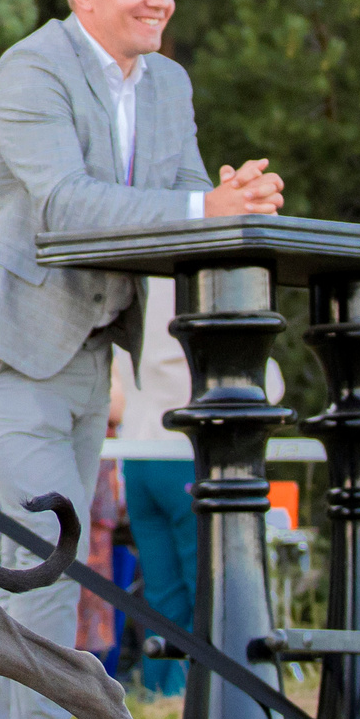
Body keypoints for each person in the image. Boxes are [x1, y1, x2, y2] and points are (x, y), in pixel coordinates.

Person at [0, 0, 283, 719]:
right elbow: (67, 208)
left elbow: (186, 203)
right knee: (51, 551)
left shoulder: (168, 83)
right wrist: (205, 205)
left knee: (45, 555)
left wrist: (237, 202)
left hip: (93, 352)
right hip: (1, 345)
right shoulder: (31, 71)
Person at [110, 276, 285, 696]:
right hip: (190, 448)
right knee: (205, 586)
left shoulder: (135, 275)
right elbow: (260, 374)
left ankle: (156, 695)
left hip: (138, 452)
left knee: (161, 592)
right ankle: (186, 698)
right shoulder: (207, 280)